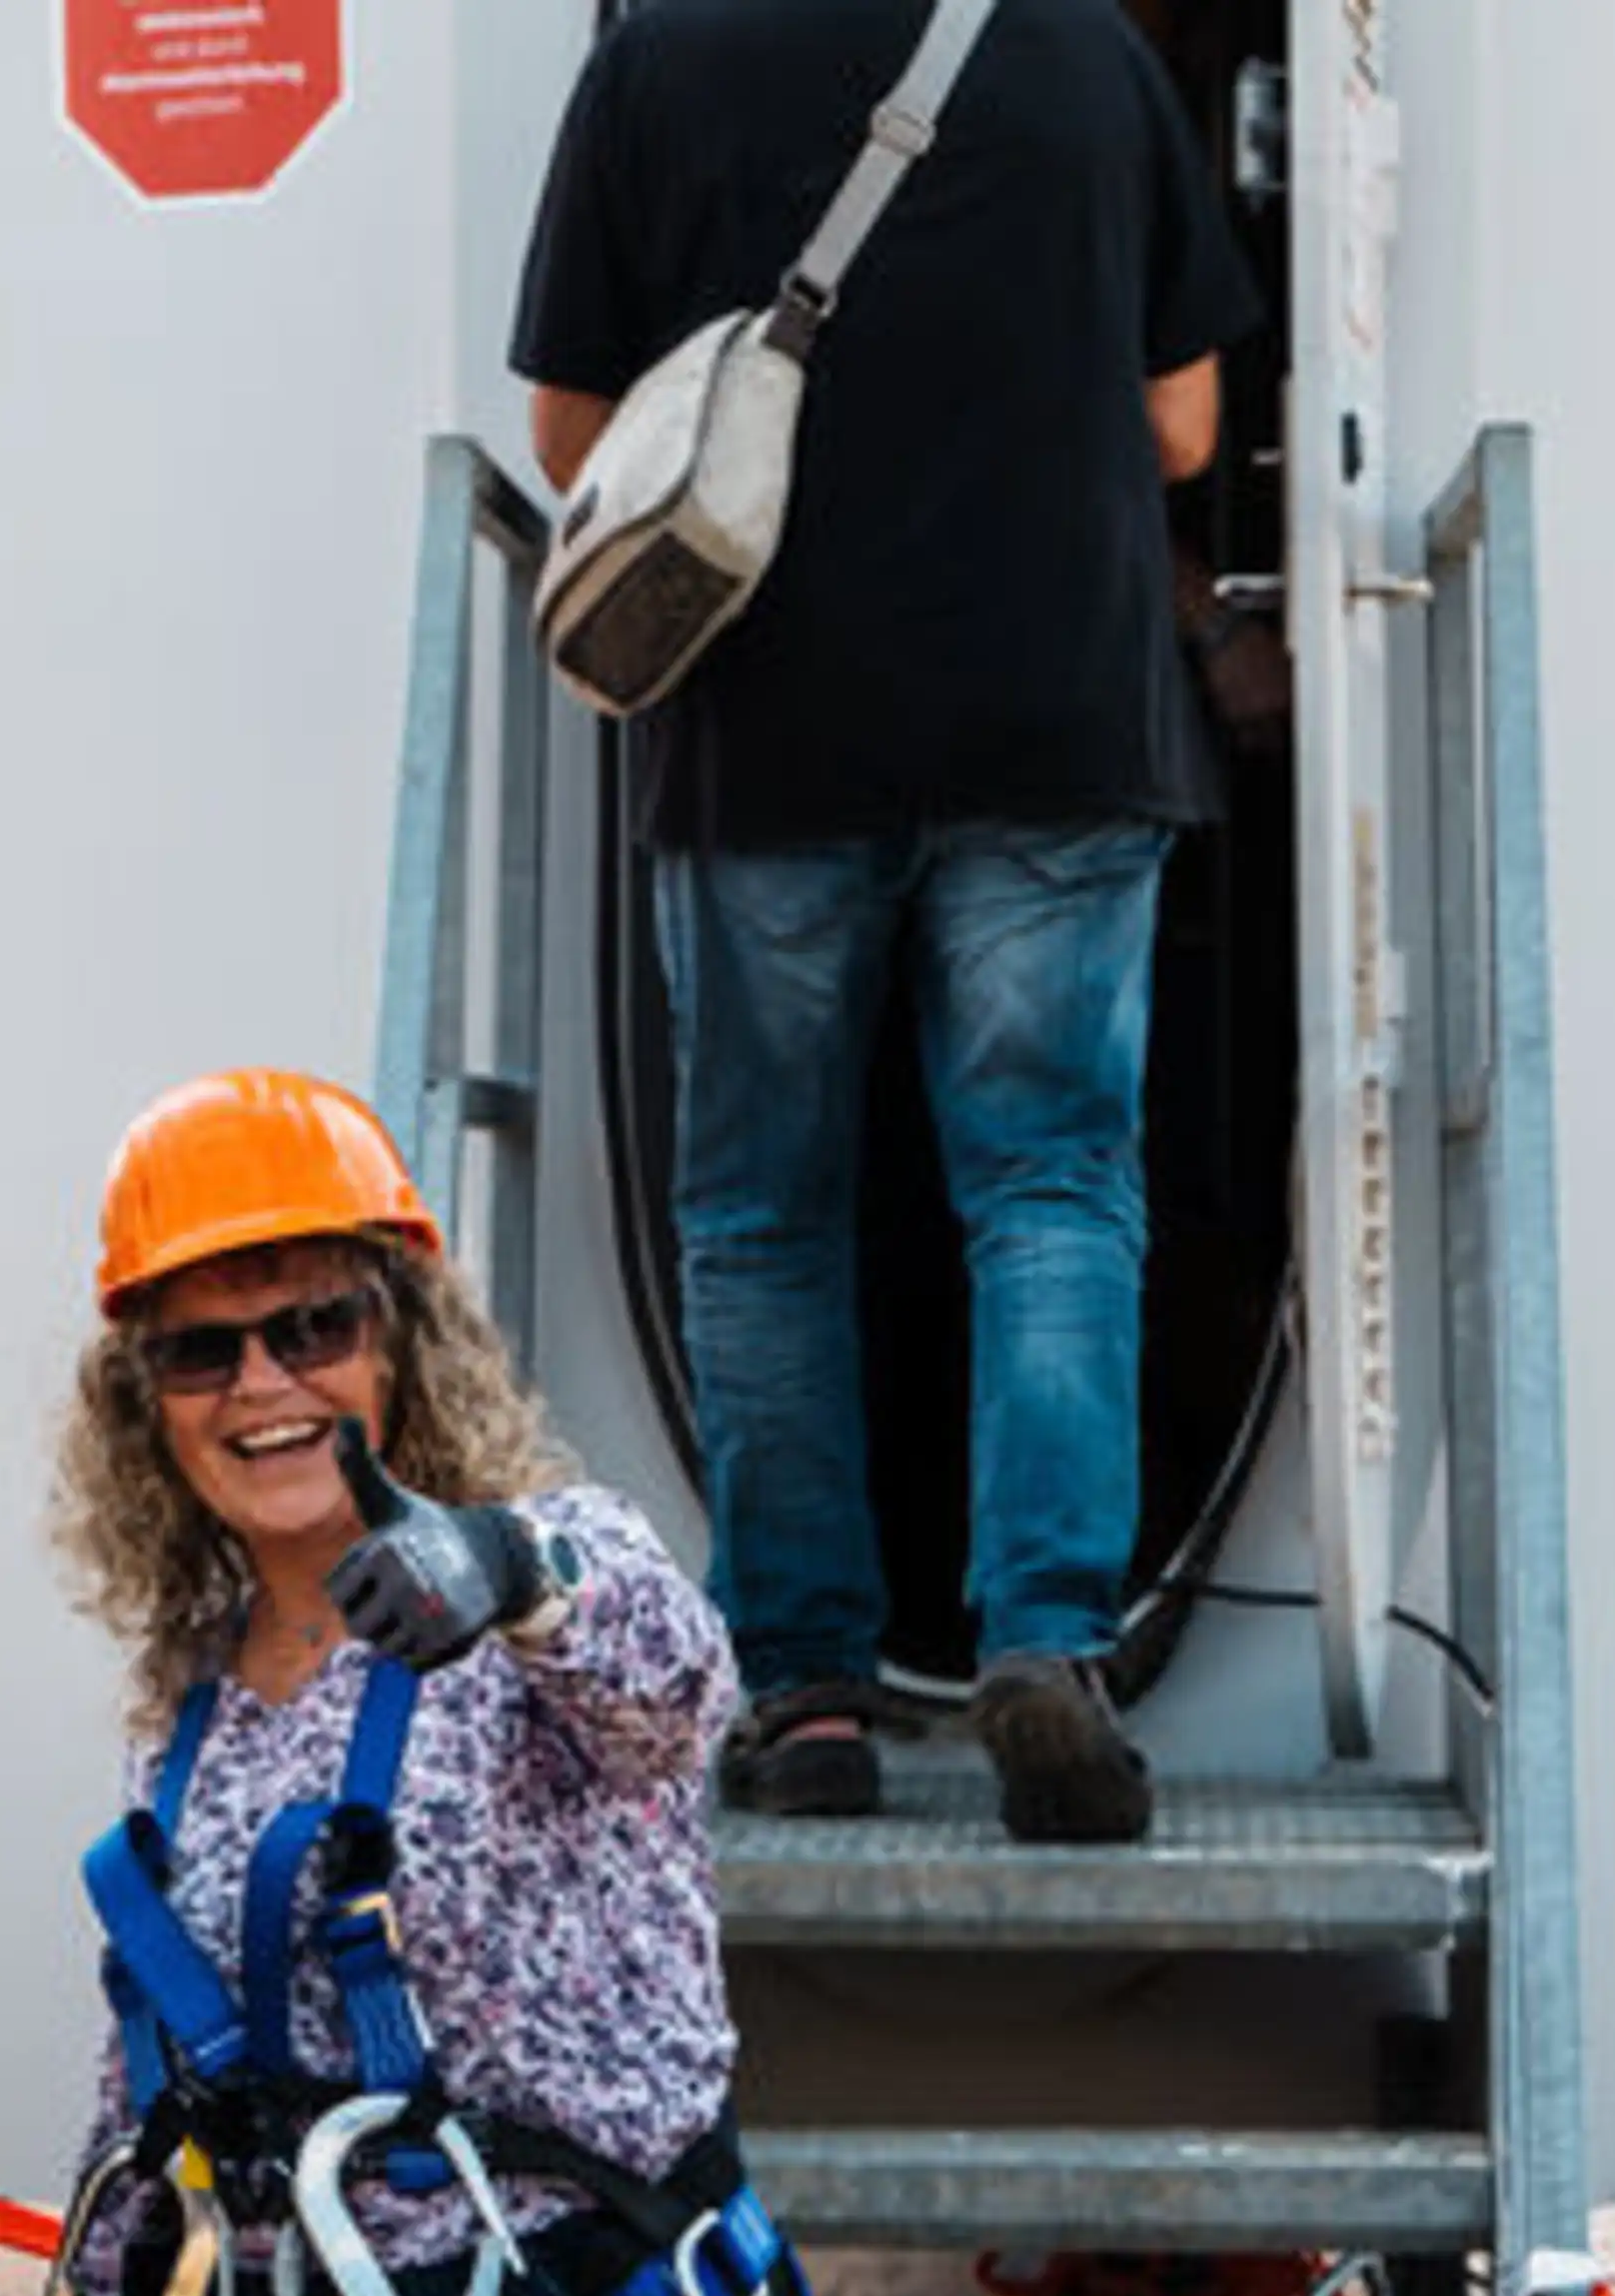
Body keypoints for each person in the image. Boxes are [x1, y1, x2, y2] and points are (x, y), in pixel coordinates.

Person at [0, 1068, 815, 2296]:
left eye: (311, 1325)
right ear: (148, 1404)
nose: (263, 1385)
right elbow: (145, 2089)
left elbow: (680, 1679)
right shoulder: (188, 1696)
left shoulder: (552, 1601)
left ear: (397, 1338)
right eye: (202, 1353)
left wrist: (497, 1562)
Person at [512, 0, 1261, 1841]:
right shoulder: (1089, 54)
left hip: (765, 731)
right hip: (1060, 722)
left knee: (765, 1216)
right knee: (1054, 1185)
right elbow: (1183, 429)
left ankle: (813, 1693)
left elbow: (568, 428)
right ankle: (1050, 1644)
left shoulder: (659, 59)